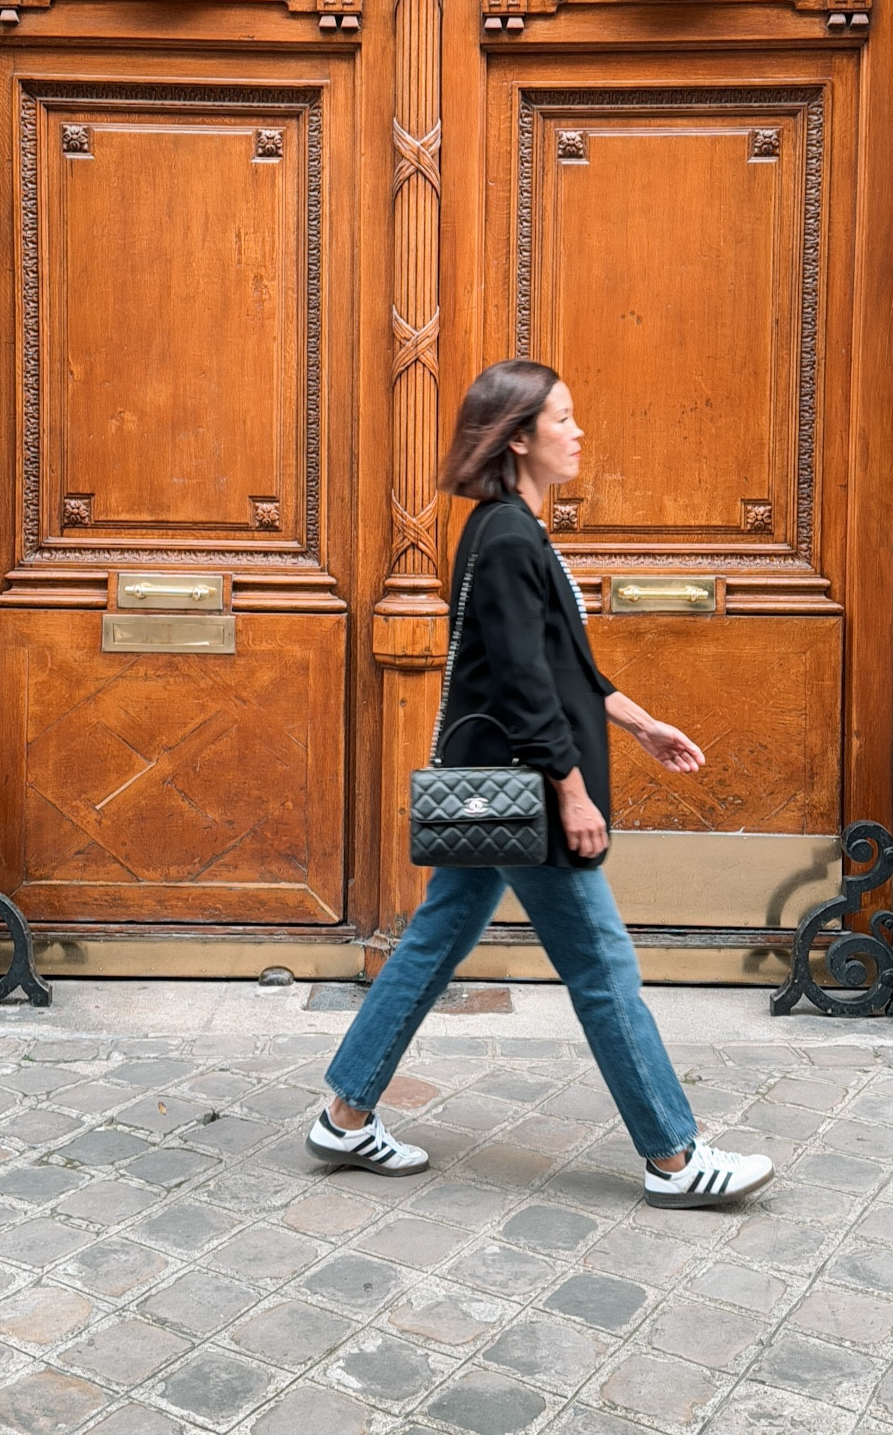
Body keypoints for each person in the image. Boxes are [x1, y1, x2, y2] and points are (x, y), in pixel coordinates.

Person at [306, 360, 773, 1208]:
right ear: (518, 436)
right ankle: (674, 1157)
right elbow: (524, 684)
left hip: (497, 793)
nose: (578, 431)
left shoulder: (506, 528)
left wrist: (639, 722)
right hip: (528, 793)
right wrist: (572, 792)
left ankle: (344, 1115)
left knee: (433, 943)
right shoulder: (511, 535)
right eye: (563, 418)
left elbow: (563, 667)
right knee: (603, 967)